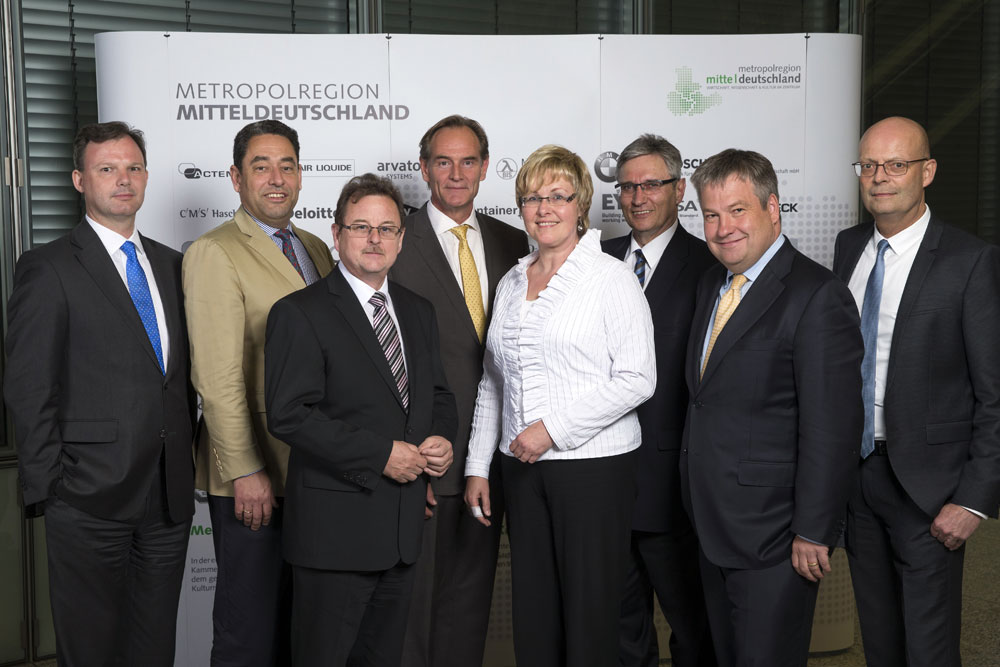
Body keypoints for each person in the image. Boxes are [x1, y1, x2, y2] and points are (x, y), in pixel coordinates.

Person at [4, 121, 195, 666]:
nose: (123, 180)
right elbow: (28, 385)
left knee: (155, 646)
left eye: (133, 168)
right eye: (107, 169)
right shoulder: (49, 267)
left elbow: (175, 378)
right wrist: (53, 489)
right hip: (86, 498)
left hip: (167, 495)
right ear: (78, 180)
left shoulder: (171, 264)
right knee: (91, 650)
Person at [464, 144, 655, 667]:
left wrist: (552, 429)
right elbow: (491, 381)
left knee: (590, 615)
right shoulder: (509, 283)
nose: (543, 208)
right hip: (520, 471)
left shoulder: (610, 278)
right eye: (531, 197)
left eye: (557, 196)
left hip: (593, 472)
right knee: (535, 610)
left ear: (581, 204)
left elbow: (639, 378)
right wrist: (478, 466)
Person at [264, 173, 457, 666]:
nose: (375, 239)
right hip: (334, 535)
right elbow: (289, 416)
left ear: (401, 238)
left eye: (387, 228)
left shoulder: (417, 311)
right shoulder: (300, 313)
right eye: (361, 227)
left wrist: (440, 438)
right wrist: (381, 455)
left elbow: (437, 396)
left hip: (401, 530)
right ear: (336, 235)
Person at [682, 148, 863, 666]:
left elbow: (833, 427)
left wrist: (813, 529)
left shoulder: (816, 295)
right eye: (711, 214)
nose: (722, 228)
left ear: (773, 208)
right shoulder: (712, 285)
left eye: (737, 210)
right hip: (711, 522)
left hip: (776, 535)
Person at [834, 116, 1000, 667]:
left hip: (930, 490)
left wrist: (973, 499)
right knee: (879, 642)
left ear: (926, 171)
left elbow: (994, 392)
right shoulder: (848, 246)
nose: (881, 177)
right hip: (858, 480)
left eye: (897, 164)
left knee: (928, 650)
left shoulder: (969, 261)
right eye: (870, 166)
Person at [182, 119, 334, 666]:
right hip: (254, 475)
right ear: (236, 178)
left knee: (302, 628)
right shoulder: (214, 251)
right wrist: (245, 470)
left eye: (287, 166)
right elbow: (217, 378)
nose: (276, 179)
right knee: (249, 631)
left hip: (315, 469)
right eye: (261, 166)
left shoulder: (316, 247)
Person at [388, 114, 529, 667]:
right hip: (429, 452)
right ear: (423, 169)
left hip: (502, 453)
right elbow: (383, 359)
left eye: (467, 161)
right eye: (442, 161)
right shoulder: (394, 240)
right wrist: (409, 454)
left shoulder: (515, 241)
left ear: (486, 168)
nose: (455, 173)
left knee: (469, 605)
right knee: (414, 611)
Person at [602, 134, 716, 667]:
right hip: (602, 480)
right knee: (621, 631)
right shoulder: (593, 263)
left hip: (675, 489)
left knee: (694, 630)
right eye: (627, 186)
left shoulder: (711, 267)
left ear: (679, 188)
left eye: (651, 184)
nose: (637, 196)